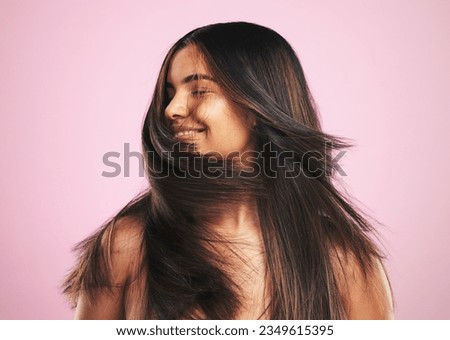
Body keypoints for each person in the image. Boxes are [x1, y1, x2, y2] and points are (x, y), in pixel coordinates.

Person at [62, 21, 394, 320]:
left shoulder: (344, 260)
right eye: (169, 93)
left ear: (257, 108)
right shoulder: (128, 244)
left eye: (199, 90)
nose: (171, 110)